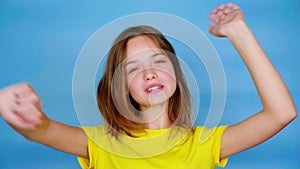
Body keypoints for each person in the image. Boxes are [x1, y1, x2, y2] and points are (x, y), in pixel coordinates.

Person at [0, 3, 297, 169]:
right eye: (134, 68)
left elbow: (281, 113)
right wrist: (15, 108)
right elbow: (42, 130)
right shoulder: (101, 144)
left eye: (159, 61)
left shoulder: (206, 144)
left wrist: (238, 32)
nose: (150, 73)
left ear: (177, 76)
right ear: (120, 89)